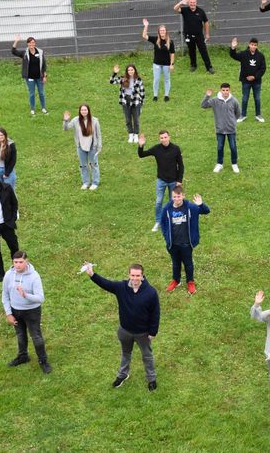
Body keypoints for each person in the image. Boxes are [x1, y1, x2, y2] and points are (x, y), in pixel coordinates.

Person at [85, 263, 160, 392]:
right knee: (126, 354)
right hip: (125, 331)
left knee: (147, 356)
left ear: (142, 276)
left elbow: (155, 313)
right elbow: (106, 284)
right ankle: (123, 375)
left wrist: (153, 332)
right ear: (128, 275)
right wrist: (92, 274)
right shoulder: (121, 287)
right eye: (132, 275)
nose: (135, 278)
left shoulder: (151, 292)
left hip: (143, 333)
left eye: (138, 276)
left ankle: (151, 379)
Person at [2, 250, 51, 374]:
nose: (17, 265)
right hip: (15, 310)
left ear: (26, 261)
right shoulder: (9, 274)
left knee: (36, 337)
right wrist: (9, 313)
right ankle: (23, 356)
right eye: (15, 262)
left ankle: (43, 360)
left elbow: (40, 298)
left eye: (21, 262)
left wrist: (25, 295)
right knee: (20, 335)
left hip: (31, 311)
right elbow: (5, 295)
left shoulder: (34, 276)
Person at [159, 187, 210, 295]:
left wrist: (201, 204)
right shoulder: (167, 209)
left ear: (183, 196)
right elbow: (162, 222)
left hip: (186, 243)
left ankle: (190, 282)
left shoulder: (190, 207)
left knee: (188, 264)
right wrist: (166, 236)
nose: (176, 199)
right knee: (175, 263)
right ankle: (176, 281)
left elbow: (206, 211)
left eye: (178, 196)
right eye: (174, 197)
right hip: (173, 243)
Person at [138, 131, 184, 232]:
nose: (163, 139)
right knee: (159, 201)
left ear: (169, 137)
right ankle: (158, 221)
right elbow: (142, 155)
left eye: (165, 137)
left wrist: (179, 180)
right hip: (161, 180)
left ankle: (171, 220)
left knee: (173, 201)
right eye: (161, 138)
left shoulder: (175, 149)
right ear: (159, 139)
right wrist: (141, 146)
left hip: (173, 181)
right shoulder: (156, 149)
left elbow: (181, 165)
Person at [201, 84, 241, 173]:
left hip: (231, 129)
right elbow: (203, 105)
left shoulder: (234, 101)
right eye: (223, 90)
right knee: (220, 147)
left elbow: (238, 113)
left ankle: (234, 164)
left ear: (229, 90)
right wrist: (207, 96)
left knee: (233, 147)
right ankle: (219, 164)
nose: (225, 92)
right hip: (220, 129)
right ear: (220, 90)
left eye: (227, 90)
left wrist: (233, 122)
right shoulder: (215, 100)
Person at [62, 104, 102, 190]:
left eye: (85, 110)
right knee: (83, 165)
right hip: (80, 147)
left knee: (93, 164)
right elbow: (66, 128)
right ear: (80, 111)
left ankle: (95, 182)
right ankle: (86, 182)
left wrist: (99, 147)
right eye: (82, 110)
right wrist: (66, 120)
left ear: (88, 111)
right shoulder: (76, 120)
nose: (84, 111)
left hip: (92, 146)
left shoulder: (94, 120)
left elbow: (99, 135)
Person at [229, 37, 267, 123]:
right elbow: (234, 55)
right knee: (245, 98)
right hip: (245, 81)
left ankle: (258, 115)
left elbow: (263, 68)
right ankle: (243, 115)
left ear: (257, 46)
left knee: (257, 98)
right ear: (249, 44)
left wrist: (255, 77)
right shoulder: (243, 54)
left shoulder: (261, 56)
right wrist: (233, 48)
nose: (253, 46)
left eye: (255, 45)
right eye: (252, 45)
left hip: (256, 81)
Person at [174, 0, 215, 74]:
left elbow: (206, 22)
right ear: (188, 3)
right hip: (188, 35)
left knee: (203, 51)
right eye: (191, 2)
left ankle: (209, 67)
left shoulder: (201, 11)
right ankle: (193, 65)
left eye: (194, 2)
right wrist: (181, 3)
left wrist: (207, 33)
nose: (192, 4)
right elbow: (175, 8)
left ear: (196, 3)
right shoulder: (185, 10)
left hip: (199, 36)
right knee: (191, 50)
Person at [11, 34, 47, 115]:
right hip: (30, 78)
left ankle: (44, 108)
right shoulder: (24, 53)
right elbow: (13, 51)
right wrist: (16, 41)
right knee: (32, 93)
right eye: (30, 43)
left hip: (39, 77)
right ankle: (32, 109)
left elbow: (44, 64)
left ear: (35, 43)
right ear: (28, 44)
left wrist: (44, 76)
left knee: (41, 93)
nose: (32, 44)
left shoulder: (40, 52)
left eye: (33, 42)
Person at [110, 64, 145, 143]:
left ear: (134, 70)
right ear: (127, 71)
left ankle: (136, 134)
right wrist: (115, 73)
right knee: (128, 119)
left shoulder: (138, 79)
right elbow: (111, 81)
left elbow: (142, 92)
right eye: (129, 70)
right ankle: (130, 134)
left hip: (136, 101)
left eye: (132, 70)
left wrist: (141, 103)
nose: (130, 71)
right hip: (126, 101)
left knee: (136, 119)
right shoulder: (123, 78)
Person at [141, 18, 175, 101]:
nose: (162, 32)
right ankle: (155, 95)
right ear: (159, 32)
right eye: (161, 30)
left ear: (166, 31)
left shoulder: (170, 42)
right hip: (157, 64)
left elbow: (172, 54)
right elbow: (144, 36)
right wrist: (146, 26)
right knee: (156, 80)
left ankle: (166, 95)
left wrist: (172, 64)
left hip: (166, 64)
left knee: (167, 79)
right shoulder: (155, 39)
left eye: (163, 30)